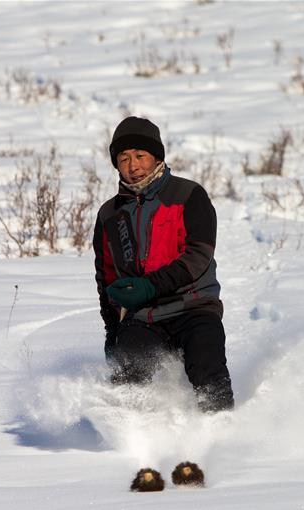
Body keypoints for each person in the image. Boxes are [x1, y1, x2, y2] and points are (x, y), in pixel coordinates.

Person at [93, 116, 234, 413]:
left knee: (208, 370)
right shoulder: (109, 214)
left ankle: (223, 432)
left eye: (140, 155)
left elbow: (199, 255)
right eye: (124, 157)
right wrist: (111, 330)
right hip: (143, 317)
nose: (133, 165)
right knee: (127, 377)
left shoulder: (189, 195)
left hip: (194, 306)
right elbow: (105, 276)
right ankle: (132, 443)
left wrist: (150, 285)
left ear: (157, 156)